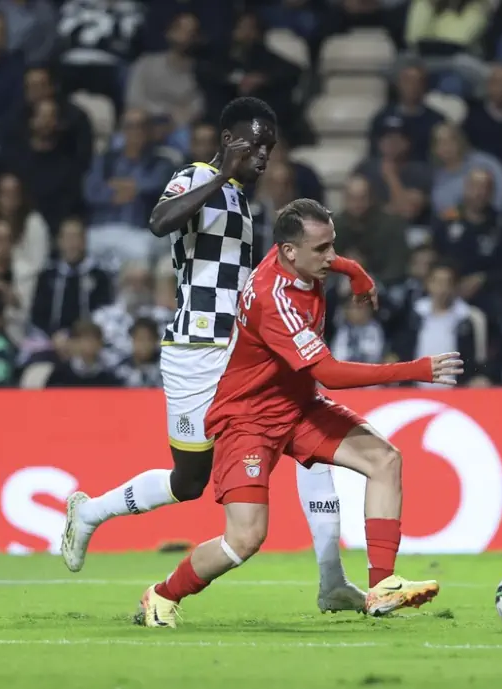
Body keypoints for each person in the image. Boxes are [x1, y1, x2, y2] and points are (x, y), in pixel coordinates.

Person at [60, 97, 382, 616]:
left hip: (241, 353)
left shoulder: (245, 204)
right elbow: (160, 221)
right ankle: (91, 513)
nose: (262, 156)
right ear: (228, 138)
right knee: (189, 482)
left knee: (308, 432)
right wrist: (220, 175)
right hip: (195, 350)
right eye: (253, 144)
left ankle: (332, 580)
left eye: (269, 148)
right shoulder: (196, 177)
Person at [135, 199, 463, 627]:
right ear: (290, 252)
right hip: (248, 419)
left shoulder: (294, 257)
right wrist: (416, 370)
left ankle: (382, 588)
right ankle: (161, 595)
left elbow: (327, 257)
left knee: (384, 460)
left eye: (333, 246)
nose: (331, 257)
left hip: (297, 407)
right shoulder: (275, 299)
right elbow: (328, 372)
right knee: (245, 538)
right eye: (322, 249)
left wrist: (356, 273)